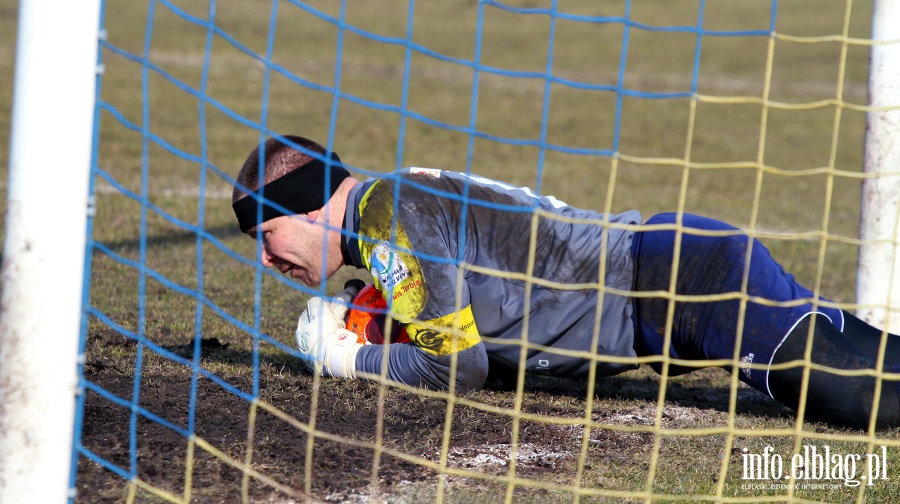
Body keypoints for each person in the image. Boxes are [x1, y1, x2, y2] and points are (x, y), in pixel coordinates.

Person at [231, 134, 900, 430]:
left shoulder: (389, 217)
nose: (267, 259)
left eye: (267, 235)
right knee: (867, 360)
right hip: (675, 272)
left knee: (872, 396)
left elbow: (454, 368)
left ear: (306, 207)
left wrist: (348, 357)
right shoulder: (392, 206)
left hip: (683, 283)